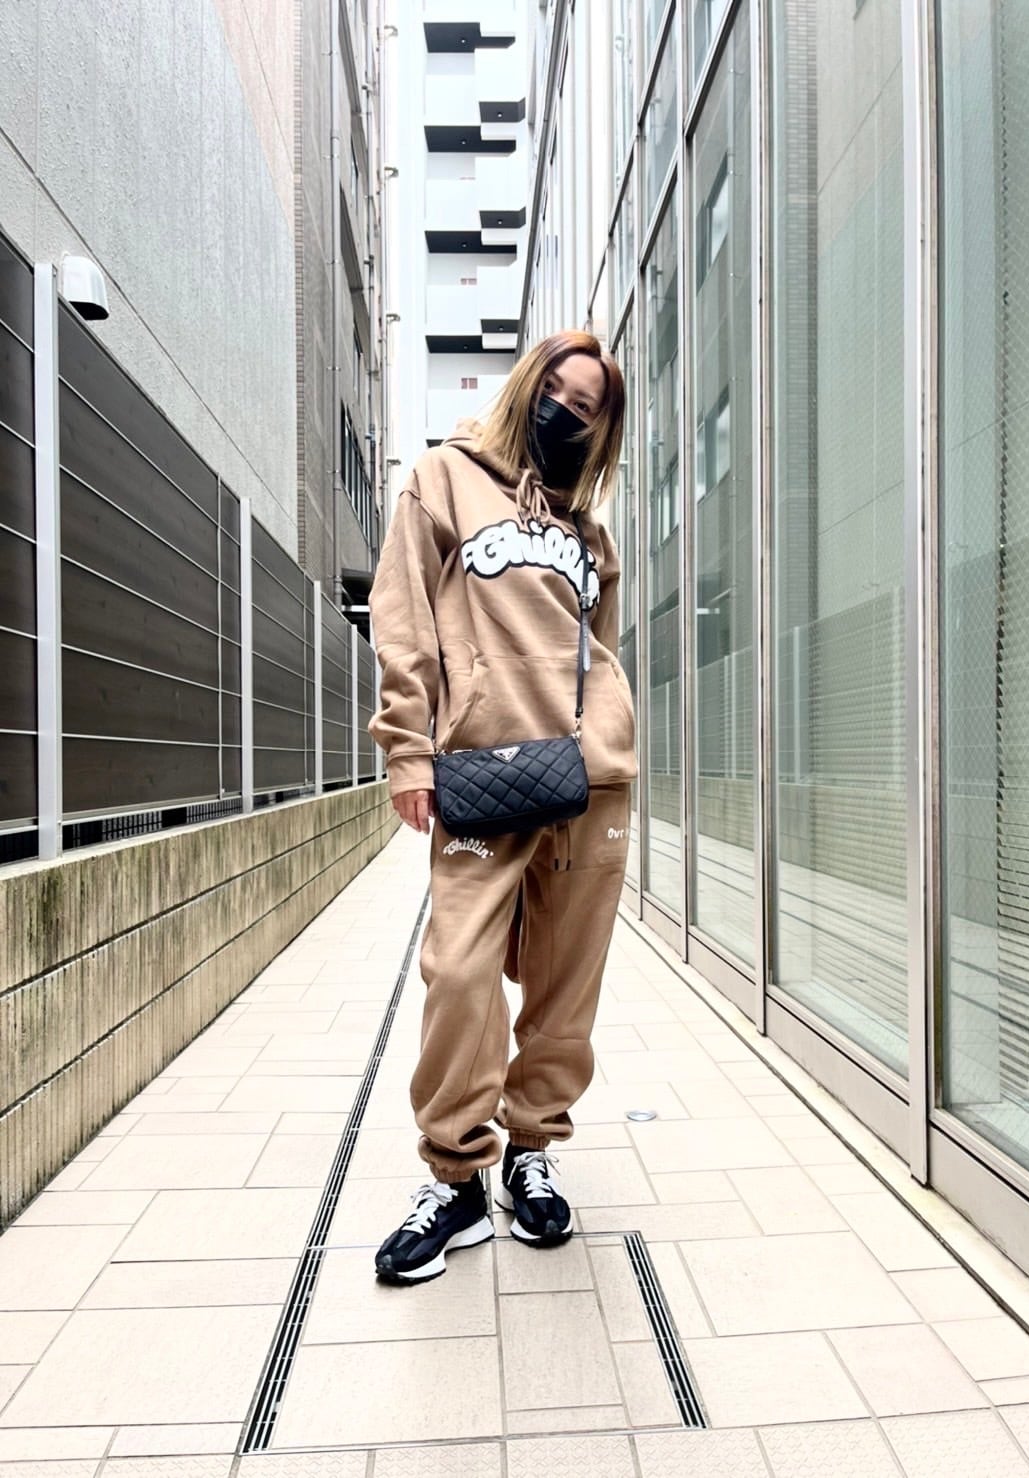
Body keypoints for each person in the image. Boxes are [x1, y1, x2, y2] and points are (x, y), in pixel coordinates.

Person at [368, 330, 635, 1284]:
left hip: (590, 779)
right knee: (459, 970)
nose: (565, 411)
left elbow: (598, 650)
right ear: (528, 387)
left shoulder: (590, 534)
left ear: (601, 430)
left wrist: (609, 735)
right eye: (555, 390)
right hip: (481, 773)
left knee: (565, 983)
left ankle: (532, 1152)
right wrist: (408, 750)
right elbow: (402, 622)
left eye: (586, 406)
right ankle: (455, 1177)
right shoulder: (442, 479)